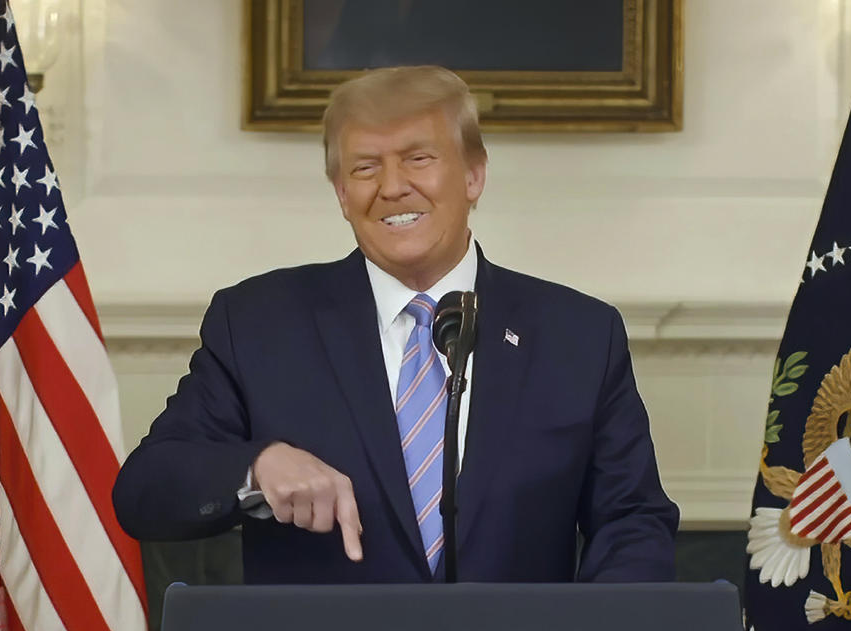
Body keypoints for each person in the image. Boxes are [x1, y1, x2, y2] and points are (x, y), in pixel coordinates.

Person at [112, 65, 679, 584]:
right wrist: (254, 467)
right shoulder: (259, 324)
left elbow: (633, 520)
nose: (391, 186)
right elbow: (144, 491)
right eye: (365, 167)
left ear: (474, 176)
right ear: (341, 193)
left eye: (419, 158)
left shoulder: (578, 335)